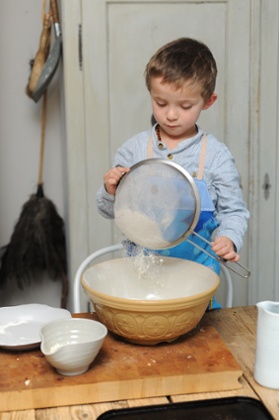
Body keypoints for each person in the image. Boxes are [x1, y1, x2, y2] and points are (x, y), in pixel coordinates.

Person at [96, 37, 249, 308]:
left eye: (185, 106)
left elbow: (234, 212)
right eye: (161, 103)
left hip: (195, 283)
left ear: (208, 101)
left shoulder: (216, 156)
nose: (170, 115)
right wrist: (110, 191)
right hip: (140, 281)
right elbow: (110, 211)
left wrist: (229, 239)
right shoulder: (134, 150)